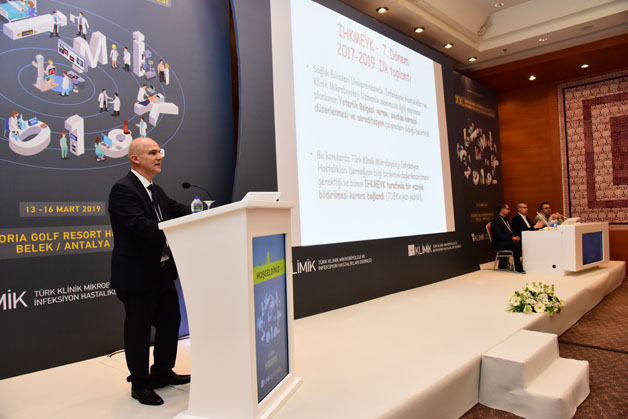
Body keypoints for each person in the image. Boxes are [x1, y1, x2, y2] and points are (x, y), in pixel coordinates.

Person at [108, 137, 191, 406]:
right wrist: (176, 228)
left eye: (159, 151)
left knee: (170, 321)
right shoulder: (123, 190)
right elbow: (140, 226)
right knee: (139, 329)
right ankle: (140, 384)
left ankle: (162, 373)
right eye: (153, 152)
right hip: (137, 274)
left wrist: (209, 212)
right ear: (136, 159)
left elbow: (179, 210)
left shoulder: (156, 191)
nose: (159, 156)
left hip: (161, 272)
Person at [490, 203, 525, 273]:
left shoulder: (507, 220)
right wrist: (511, 238)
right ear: (502, 209)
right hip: (500, 243)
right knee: (515, 245)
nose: (509, 211)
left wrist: (516, 236)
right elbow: (498, 235)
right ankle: (518, 268)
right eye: (508, 209)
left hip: (508, 241)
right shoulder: (495, 221)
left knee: (521, 242)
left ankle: (522, 263)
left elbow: (512, 230)